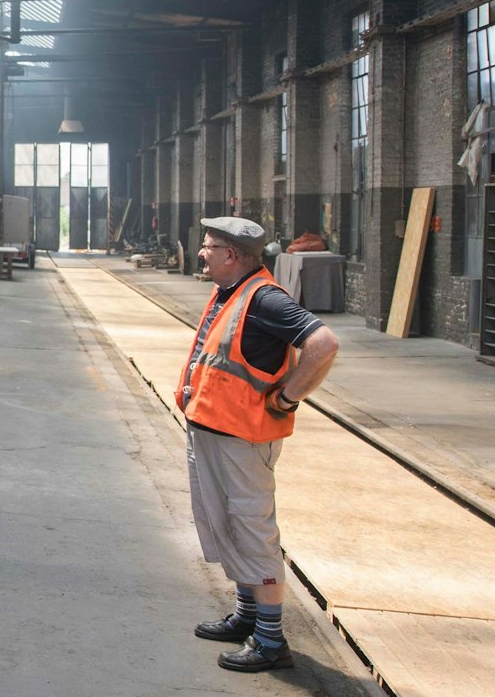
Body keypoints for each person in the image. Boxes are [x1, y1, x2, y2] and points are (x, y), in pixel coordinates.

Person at [178, 217, 341, 672]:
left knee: (252, 529)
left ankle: (271, 639)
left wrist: (289, 396)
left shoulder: (265, 298)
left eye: (208, 246)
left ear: (232, 255)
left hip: (243, 440)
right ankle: (248, 616)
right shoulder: (230, 292)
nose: (201, 253)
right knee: (226, 523)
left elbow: (323, 343)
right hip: (213, 430)